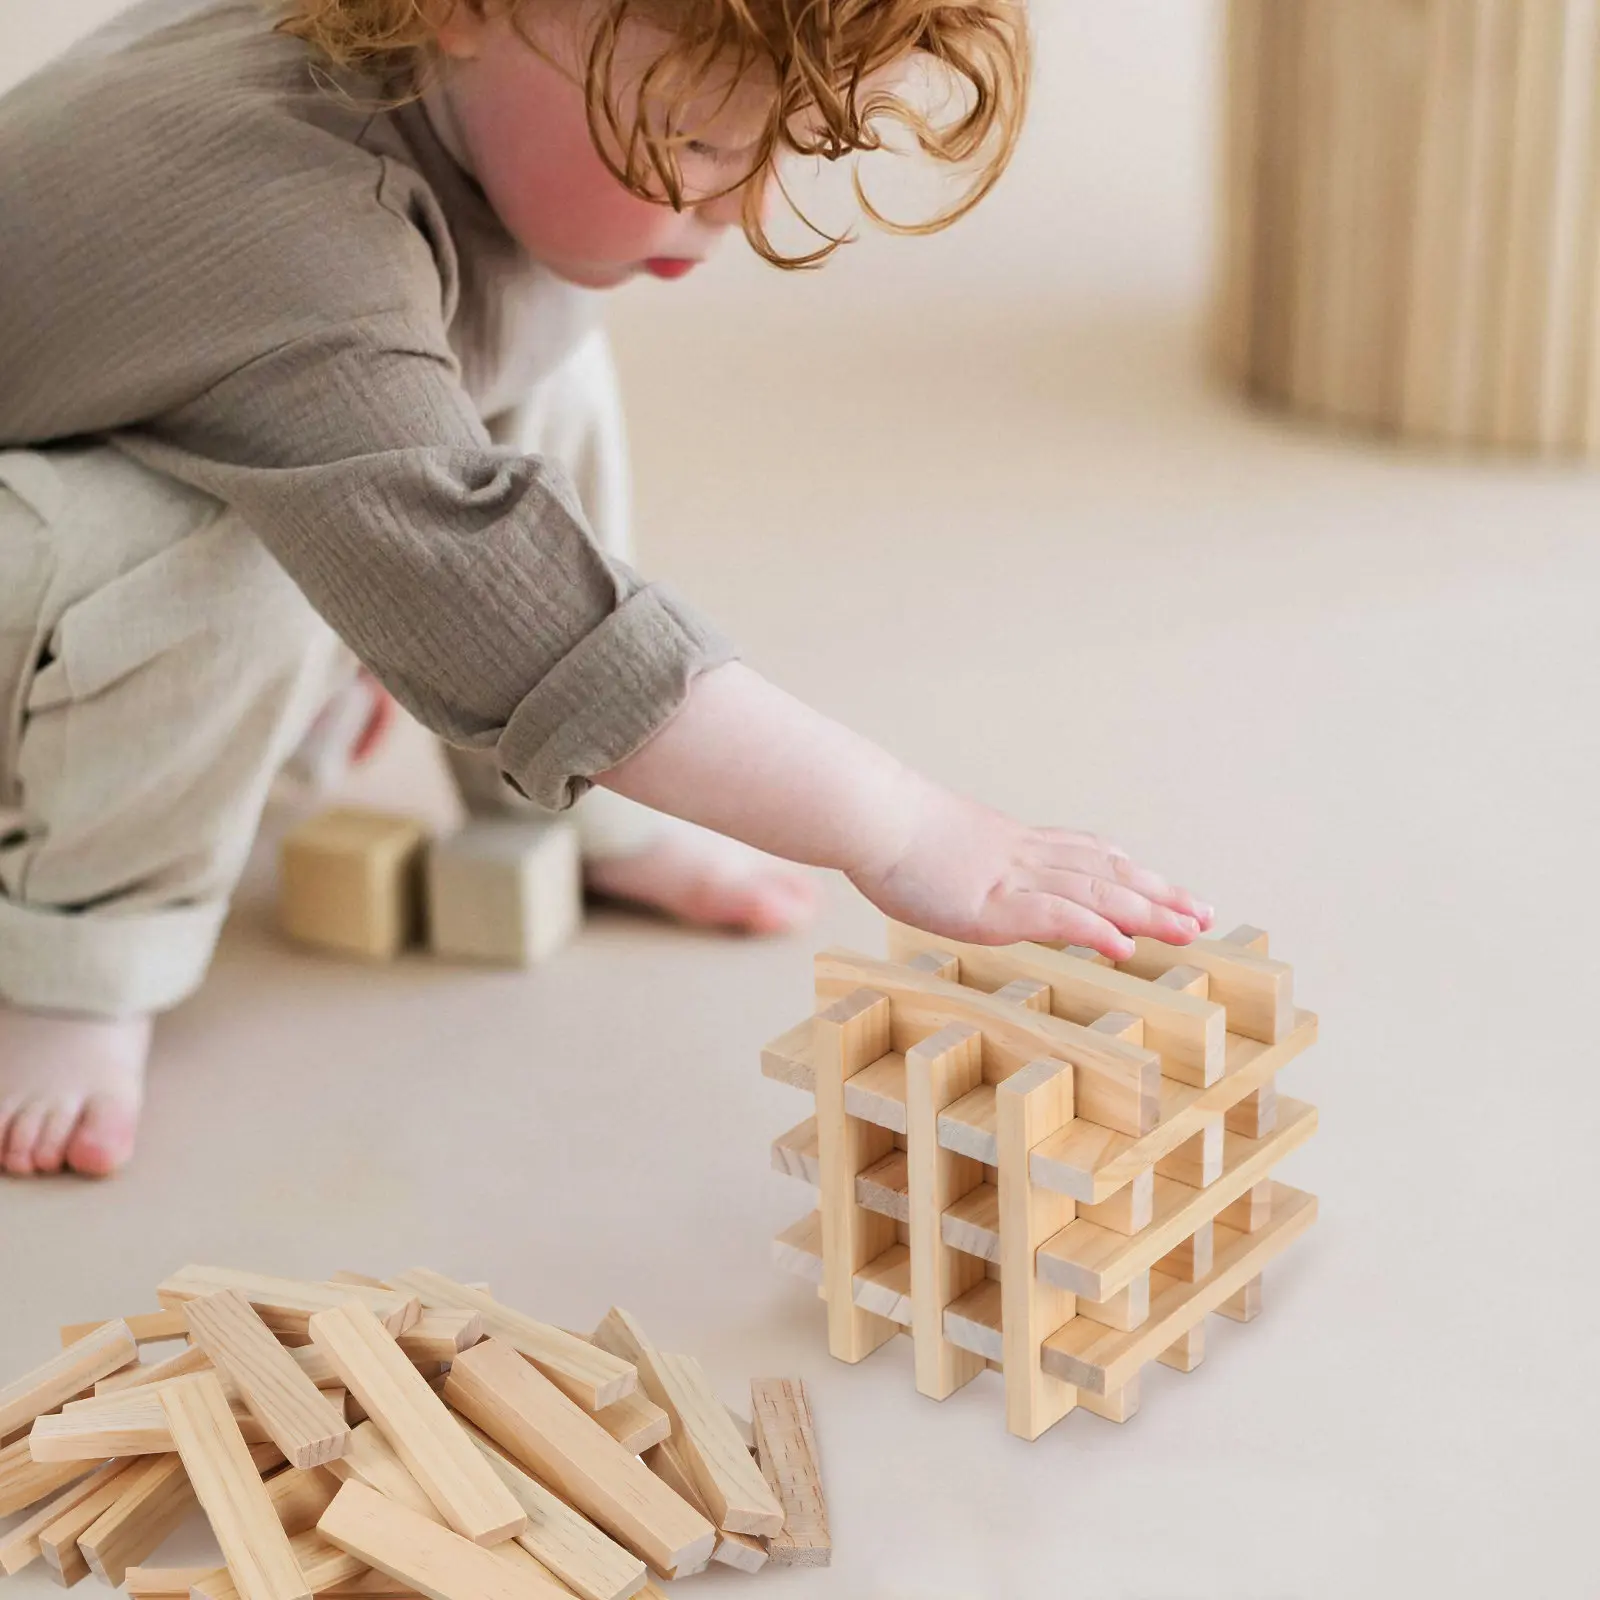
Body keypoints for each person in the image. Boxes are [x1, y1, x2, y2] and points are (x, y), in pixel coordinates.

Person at [0, 0, 1212, 1178]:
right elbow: (498, 599)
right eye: (696, 143)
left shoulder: (424, 93)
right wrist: (900, 823)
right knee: (232, 560)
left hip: (107, 470)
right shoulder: (289, 233)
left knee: (533, 326)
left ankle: (555, 804)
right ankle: (77, 956)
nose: (742, 210)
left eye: (779, 149)